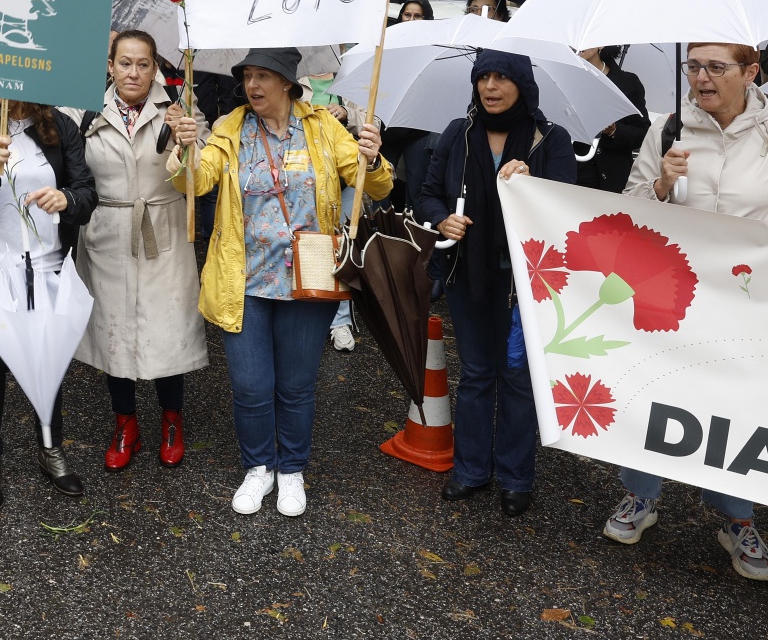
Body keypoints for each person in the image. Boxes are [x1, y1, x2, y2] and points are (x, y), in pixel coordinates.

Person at [608, 42, 768, 580]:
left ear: (751, 72)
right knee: (657, 387)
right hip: (673, 295)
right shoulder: (666, 129)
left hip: (748, 303)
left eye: (715, 67)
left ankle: (737, 517)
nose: (701, 78)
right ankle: (641, 495)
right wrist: (660, 184)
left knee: (740, 401)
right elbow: (627, 211)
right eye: (694, 66)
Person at [172, 47, 392, 517]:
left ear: (288, 83)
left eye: (264, 76)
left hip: (307, 277)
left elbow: (374, 185)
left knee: (295, 385)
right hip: (243, 279)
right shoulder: (231, 128)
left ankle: (291, 469)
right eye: (248, 76)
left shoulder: (321, 127)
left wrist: (371, 160)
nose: (253, 85)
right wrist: (185, 150)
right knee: (250, 386)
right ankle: (259, 468)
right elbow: (198, 181)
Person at [419, 50, 575, 518]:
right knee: (477, 373)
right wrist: (441, 220)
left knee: (516, 378)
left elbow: (566, 209)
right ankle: (469, 471)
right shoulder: (458, 132)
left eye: (502, 77)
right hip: (469, 275)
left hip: (526, 284)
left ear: (522, 85)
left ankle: (515, 476)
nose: (491, 86)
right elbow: (427, 193)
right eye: (483, 77)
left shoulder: (550, 139)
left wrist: (533, 181)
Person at [70, 30, 208, 471]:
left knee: (167, 330)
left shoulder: (179, 111)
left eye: (143, 64)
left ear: (155, 69)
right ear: (109, 65)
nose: (134, 72)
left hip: (162, 230)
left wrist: (188, 145)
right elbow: (68, 171)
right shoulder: (85, 111)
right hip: (107, 232)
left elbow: (197, 183)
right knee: (115, 333)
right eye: (125, 63)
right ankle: (124, 422)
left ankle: (172, 419)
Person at [0, 97, 97, 511]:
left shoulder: (58, 126)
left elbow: (87, 193)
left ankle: (50, 447)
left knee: (47, 356)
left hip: (48, 265)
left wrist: (66, 199)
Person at [574, 46, 650, 193]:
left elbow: (642, 133)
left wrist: (614, 130)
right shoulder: (565, 79)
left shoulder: (627, 82)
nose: (579, 46)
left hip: (613, 179)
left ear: (600, 44)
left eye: (585, 41)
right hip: (574, 177)